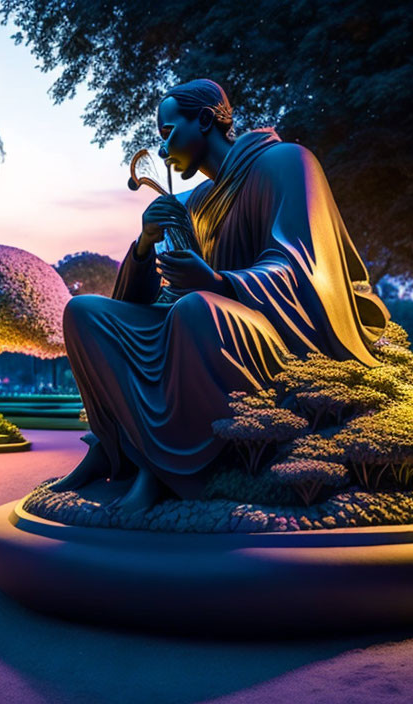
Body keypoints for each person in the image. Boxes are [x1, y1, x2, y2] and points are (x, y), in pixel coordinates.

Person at [51, 79, 390, 513]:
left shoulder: (286, 162)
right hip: (196, 323)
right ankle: (113, 451)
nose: (161, 151)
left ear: (206, 119)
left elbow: (304, 266)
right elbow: (155, 298)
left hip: (276, 331)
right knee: (85, 313)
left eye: (169, 132)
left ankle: (167, 473)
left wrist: (217, 282)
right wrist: (145, 244)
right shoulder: (195, 203)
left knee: (194, 310)